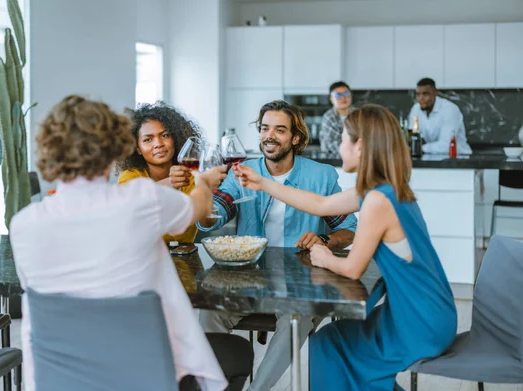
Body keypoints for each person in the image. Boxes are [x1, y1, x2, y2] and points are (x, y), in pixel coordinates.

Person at [10, 95, 253, 391]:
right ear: (117, 147)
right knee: (233, 351)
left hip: (61, 379)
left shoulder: (23, 224)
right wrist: (202, 182)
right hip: (143, 373)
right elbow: (201, 209)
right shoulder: (142, 200)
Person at [236, 104, 458, 390]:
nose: (338, 147)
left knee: (337, 352)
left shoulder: (378, 200)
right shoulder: (383, 189)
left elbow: (352, 269)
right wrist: (264, 184)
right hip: (424, 310)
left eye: (342, 139)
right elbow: (321, 204)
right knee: (327, 342)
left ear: (361, 146)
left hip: (419, 319)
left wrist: (324, 256)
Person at [198, 100, 357, 391]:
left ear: (295, 138)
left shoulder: (319, 177)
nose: (269, 136)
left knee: (297, 316)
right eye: (264, 128)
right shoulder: (241, 171)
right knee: (209, 311)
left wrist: (324, 239)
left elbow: (349, 230)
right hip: (250, 279)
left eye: (280, 130)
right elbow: (214, 216)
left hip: (301, 280)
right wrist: (204, 197)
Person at [117, 101, 220, 244]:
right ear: (138, 148)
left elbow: (208, 223)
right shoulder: (131, 177)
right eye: (148, 139)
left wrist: (206, 190)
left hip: (186, 257)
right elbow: (130, 205)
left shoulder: (191, 175)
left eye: (165, 135)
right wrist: (169, 183)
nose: (158, 143)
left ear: (175, 139)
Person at [408, 77, 472, 155]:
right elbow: (412, 137)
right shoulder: (416, 109)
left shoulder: (449, 110)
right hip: (431, 157)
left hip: (459, 159)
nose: (421, 98)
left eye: (425, 94)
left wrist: (418, 148)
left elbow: (446, 145)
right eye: (418, 94)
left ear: (435, 93)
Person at [319, 81, 354, 154]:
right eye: (338, 95)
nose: (343, 98)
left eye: (346, 93)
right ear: (331, 99)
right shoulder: (329, 117)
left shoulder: (358, 114)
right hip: (333, 161)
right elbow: (334, 145)